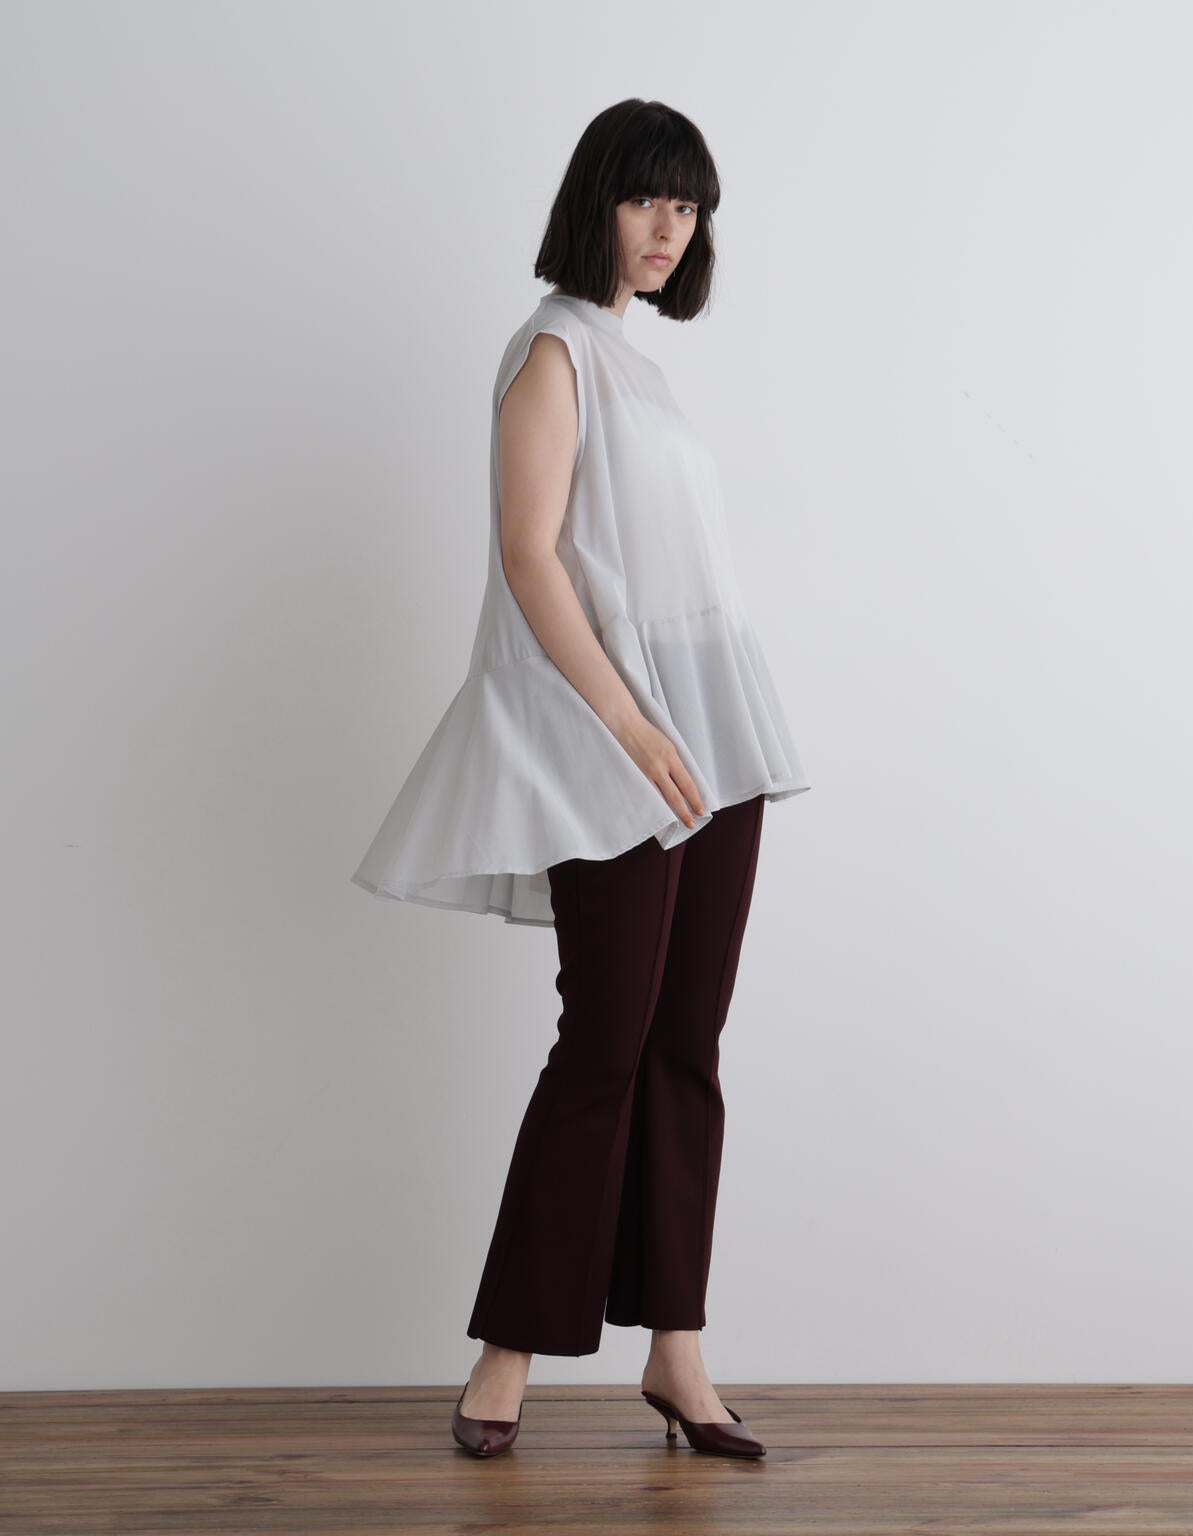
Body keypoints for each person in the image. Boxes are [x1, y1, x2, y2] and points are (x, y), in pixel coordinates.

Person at [350, 99, 811, 1459]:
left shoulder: (639, 364)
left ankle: (678, 1351)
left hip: (714, 735)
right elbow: (530, 556)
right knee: (605, 1038)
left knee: (685, 1044)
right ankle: (507, 1354)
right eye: (647, 197)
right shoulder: (553, 348)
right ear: (595, 200)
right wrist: (630, 727)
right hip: (615, 742)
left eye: (690, 205)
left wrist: (688, 731)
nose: (670, 227)